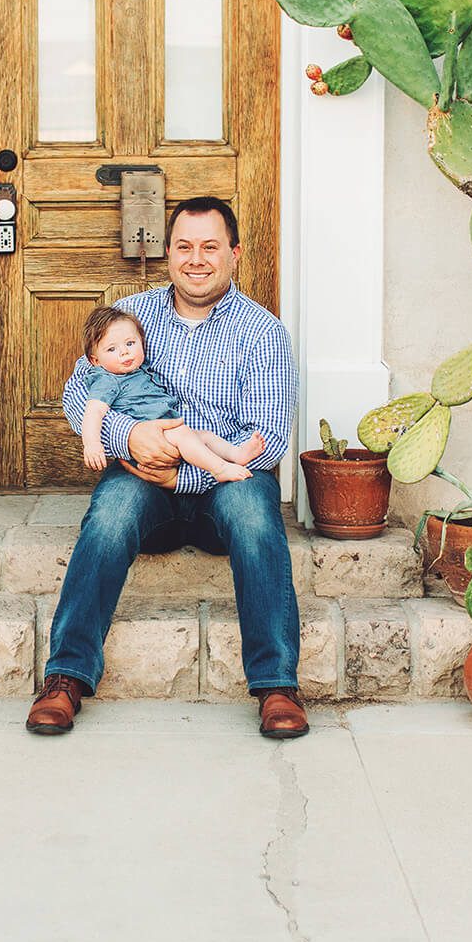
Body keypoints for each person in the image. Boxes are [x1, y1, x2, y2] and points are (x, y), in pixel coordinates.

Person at [27, 196, 305, 739]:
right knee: (110, 514)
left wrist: (186, 475)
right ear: (169, 252)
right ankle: (66, 676)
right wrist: (126, 435)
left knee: (253, 513)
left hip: (223, 485)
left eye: (210, 246)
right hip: (144, 481)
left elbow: (266, 441)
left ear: (235, 254)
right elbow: (77, 393)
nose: (196, 259)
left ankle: (276, 685)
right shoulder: (134, 315)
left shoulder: (263, 332)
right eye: (184, 246)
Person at [74, 305, 264, 483]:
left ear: (142, 342)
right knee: (183, 435)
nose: (124, 352)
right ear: (95, 360)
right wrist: (92, 444)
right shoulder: (107, 380)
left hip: (167, 431)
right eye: (112, 349)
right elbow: (93, 412)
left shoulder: (138, 371)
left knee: (204, 436)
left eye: (130, 343)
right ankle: (219, 468)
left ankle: (236, 454)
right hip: (150, 441)